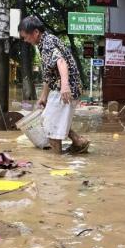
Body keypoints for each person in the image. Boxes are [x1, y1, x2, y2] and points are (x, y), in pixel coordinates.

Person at [19, 16, 90, 154]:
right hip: (64, 88)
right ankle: (78, 141)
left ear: (35, 32)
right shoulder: (45, 42)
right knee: (48, 120)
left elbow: (61, 62)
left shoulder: (47, 43)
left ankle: (56, 162)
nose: (25, 40)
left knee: (50, 128)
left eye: (26, 36)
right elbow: (49, 74)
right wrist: (44, 96)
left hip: (65, 90)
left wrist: (65, 86)